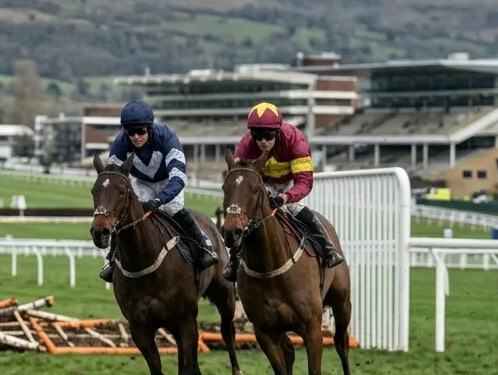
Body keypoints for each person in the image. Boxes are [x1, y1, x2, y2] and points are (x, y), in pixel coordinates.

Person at [98, 100, 219, 283]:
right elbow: (114, 178)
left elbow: (178, 178)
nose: (136, 137)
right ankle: (112, 261)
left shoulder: (167, 138)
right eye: (131, 132)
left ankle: (204, 247)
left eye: (141, 131)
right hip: (142, 183)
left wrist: (160, 200)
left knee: (173, 208)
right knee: (127, 215)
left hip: (168, 182)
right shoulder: (120, 143)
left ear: (150, 128)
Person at [225, 102, 344, 281]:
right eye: (257, 135)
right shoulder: (246, 144)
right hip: (262, 184)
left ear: (278, 131)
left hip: (290, 183)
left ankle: (327, 248)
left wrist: (285, 197)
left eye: (268, 134)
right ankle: (234, 259)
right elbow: (240, 179)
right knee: (246, 219)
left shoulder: (295, 140)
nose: (263, 141)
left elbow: (304, 182)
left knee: (296, 210)